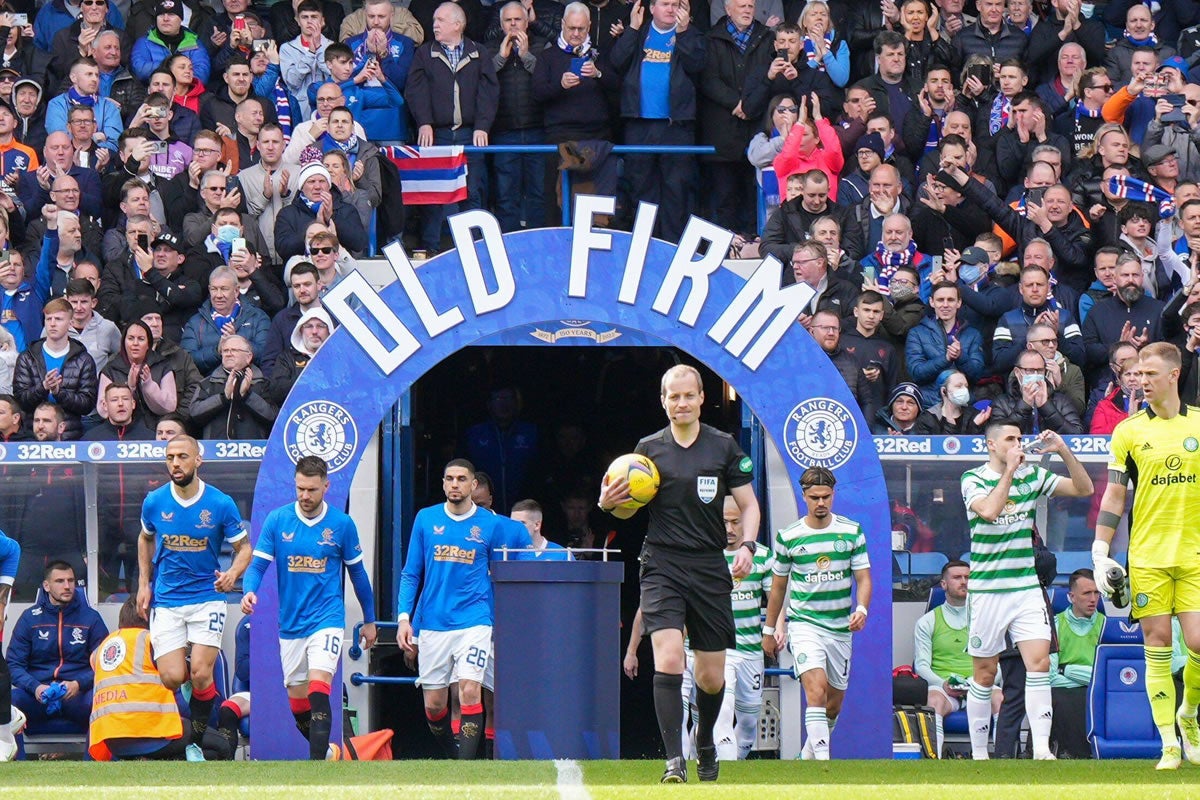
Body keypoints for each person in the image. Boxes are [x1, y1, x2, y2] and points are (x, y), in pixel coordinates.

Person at [597, 364, 761, 783]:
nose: (681, 403)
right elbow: (628, 509)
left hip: (709, 565)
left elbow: (750, 505)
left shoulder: (724, 446)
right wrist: (606, 502)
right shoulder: (647, 450)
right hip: (662, 563)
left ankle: (705, 738)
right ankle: (675, 760)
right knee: (668, 658)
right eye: (673, 396)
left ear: (702, 398)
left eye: (688, 396)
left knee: (710, 676)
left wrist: (747, 545)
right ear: (663, 400)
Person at [1092, 341, 1200, 770]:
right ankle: (1169, 744)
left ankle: (1188, 713)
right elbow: (1116, 494)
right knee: (1156, 643)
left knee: (1197, 643)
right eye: (1138, 374)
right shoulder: (1129, 431)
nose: (1142, 381)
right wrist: (1101, 550)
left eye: (1150, 374)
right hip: (1149, 554)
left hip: (1194, 552)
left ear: (1174, 375)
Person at [960, 422, 1093, 760]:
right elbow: (989, 511)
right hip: (988, 590)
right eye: (1010, 439)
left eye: (1020, 438)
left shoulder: (1032, 477)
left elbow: (1084, 488)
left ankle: (1040, 750)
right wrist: (1011, 472)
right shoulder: (972, 479)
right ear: (992, 445)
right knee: (985, 672)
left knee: (1039, 662)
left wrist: (1063, 449)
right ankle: (978, 754)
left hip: (1025, 587)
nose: (1018, 444)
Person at [241, 455, 378, 760]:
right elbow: (257, 565)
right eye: (300, 488)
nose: (304, 496)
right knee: (298, 702)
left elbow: (358, 573)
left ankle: (314, 768)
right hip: (290, 624)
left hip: (326, 618)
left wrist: (370, 620)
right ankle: (329, 754)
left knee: (319, 688)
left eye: (311, 490)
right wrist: (249, 591)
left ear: (326, 486)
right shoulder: (278, 520)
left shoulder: (341, 525)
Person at [397, 458, 531, 761]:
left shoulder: (492, 525)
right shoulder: (426, 519)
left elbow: (515, 556)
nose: (455, 484)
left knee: (470, 690)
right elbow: (411, 573)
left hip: (475, 620)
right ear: (443, 483)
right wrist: (405, 619)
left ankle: (467, 770)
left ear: (473, 485)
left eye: (461, 479)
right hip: (433, 623)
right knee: (434, 706)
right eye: (449, 479)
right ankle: (456, 756)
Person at [136, 435, 251, 760]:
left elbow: (245, 549)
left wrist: (232, 574)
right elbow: (144, 539)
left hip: (206, 597)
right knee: (172, 677)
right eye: (170, 457)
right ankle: (193, 695)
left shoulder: (219, 503)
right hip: (168, 600)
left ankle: (196, 742)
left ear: (198, 460)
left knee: (201, 672)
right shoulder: (155, 501)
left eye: (182, 457)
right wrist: (144, 583)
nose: (175, 463)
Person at [762, 466, 869, 761]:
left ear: (833, 495)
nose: (820, 503)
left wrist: (861, 608)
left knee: (833, 705)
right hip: (805, 624)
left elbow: (864, 578)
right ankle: (823, 765)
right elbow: (778, 588)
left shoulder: (851, 531)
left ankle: (806, 759)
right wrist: (769, 630)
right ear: (804, 497)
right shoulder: (789, 536)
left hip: (840, 629)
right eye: (814, 497)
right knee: (816, 690)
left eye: (826, 497)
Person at [607, 0, 704, 243]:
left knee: (676, 190)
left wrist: (683, 34)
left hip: (676, 126)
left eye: (676, 4)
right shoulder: (639, 33)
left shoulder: (691, 34)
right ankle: (645, 246)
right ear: (652, 8)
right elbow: (616, 62)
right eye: (664, 4)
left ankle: (671, 247)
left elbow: (698, 65)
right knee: (641, 189)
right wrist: (631, 29)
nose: (671, 9)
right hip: (639, 124)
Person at [8, 562, 108, 735]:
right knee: (11, 701)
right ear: (46, 586)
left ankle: (96, 761)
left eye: (71, 580)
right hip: (38, 695)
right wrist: (36, 687)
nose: (67, 586)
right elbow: (13, 664)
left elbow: (106, 664)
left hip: (77, 694)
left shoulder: (91, 618)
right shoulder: (29, 619)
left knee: (100, 701)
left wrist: (78, 684)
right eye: (60, 581)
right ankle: (15, 761)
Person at [912, 560, 999, 757]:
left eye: (968, 578)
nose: (964, 582)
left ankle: (999, 757)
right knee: (933, 701)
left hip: (980, 685)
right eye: (957, 578)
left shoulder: (985, 619)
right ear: (943, 584)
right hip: (944, 690)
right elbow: (921, 665)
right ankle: (936, 760)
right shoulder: (927, 621)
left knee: (1000, 699)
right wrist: (943, 685)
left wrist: (980, 683)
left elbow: (998, 664)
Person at [88, 597, 188, 761]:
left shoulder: (100, 649)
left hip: (110, 739)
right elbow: (180, 701)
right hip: (149, 734)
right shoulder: (154, 642)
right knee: (214, 744)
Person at [716, 494, 772, 760]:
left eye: (735, 522)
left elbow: (777, 598)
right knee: (721, 711)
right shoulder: (706, 555)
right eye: (724, 521)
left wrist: (777, 627)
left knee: (749, 724)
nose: (729, 529)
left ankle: (733, 765)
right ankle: (720, 770)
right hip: (717, 647)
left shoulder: (762, 556)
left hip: (750, 650)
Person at [1049, 567, 1104, 759]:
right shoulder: (1055, 624)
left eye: (1096, 593)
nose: (1093, 599)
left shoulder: (1107, 626)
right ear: (1072, 597)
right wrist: (1093, 678)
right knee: (1058, 696)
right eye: (1087, 593)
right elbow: (1051, 677)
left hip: (1097, 691)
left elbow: (1108, 680)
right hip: (1065, 691)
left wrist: (1068, 670)